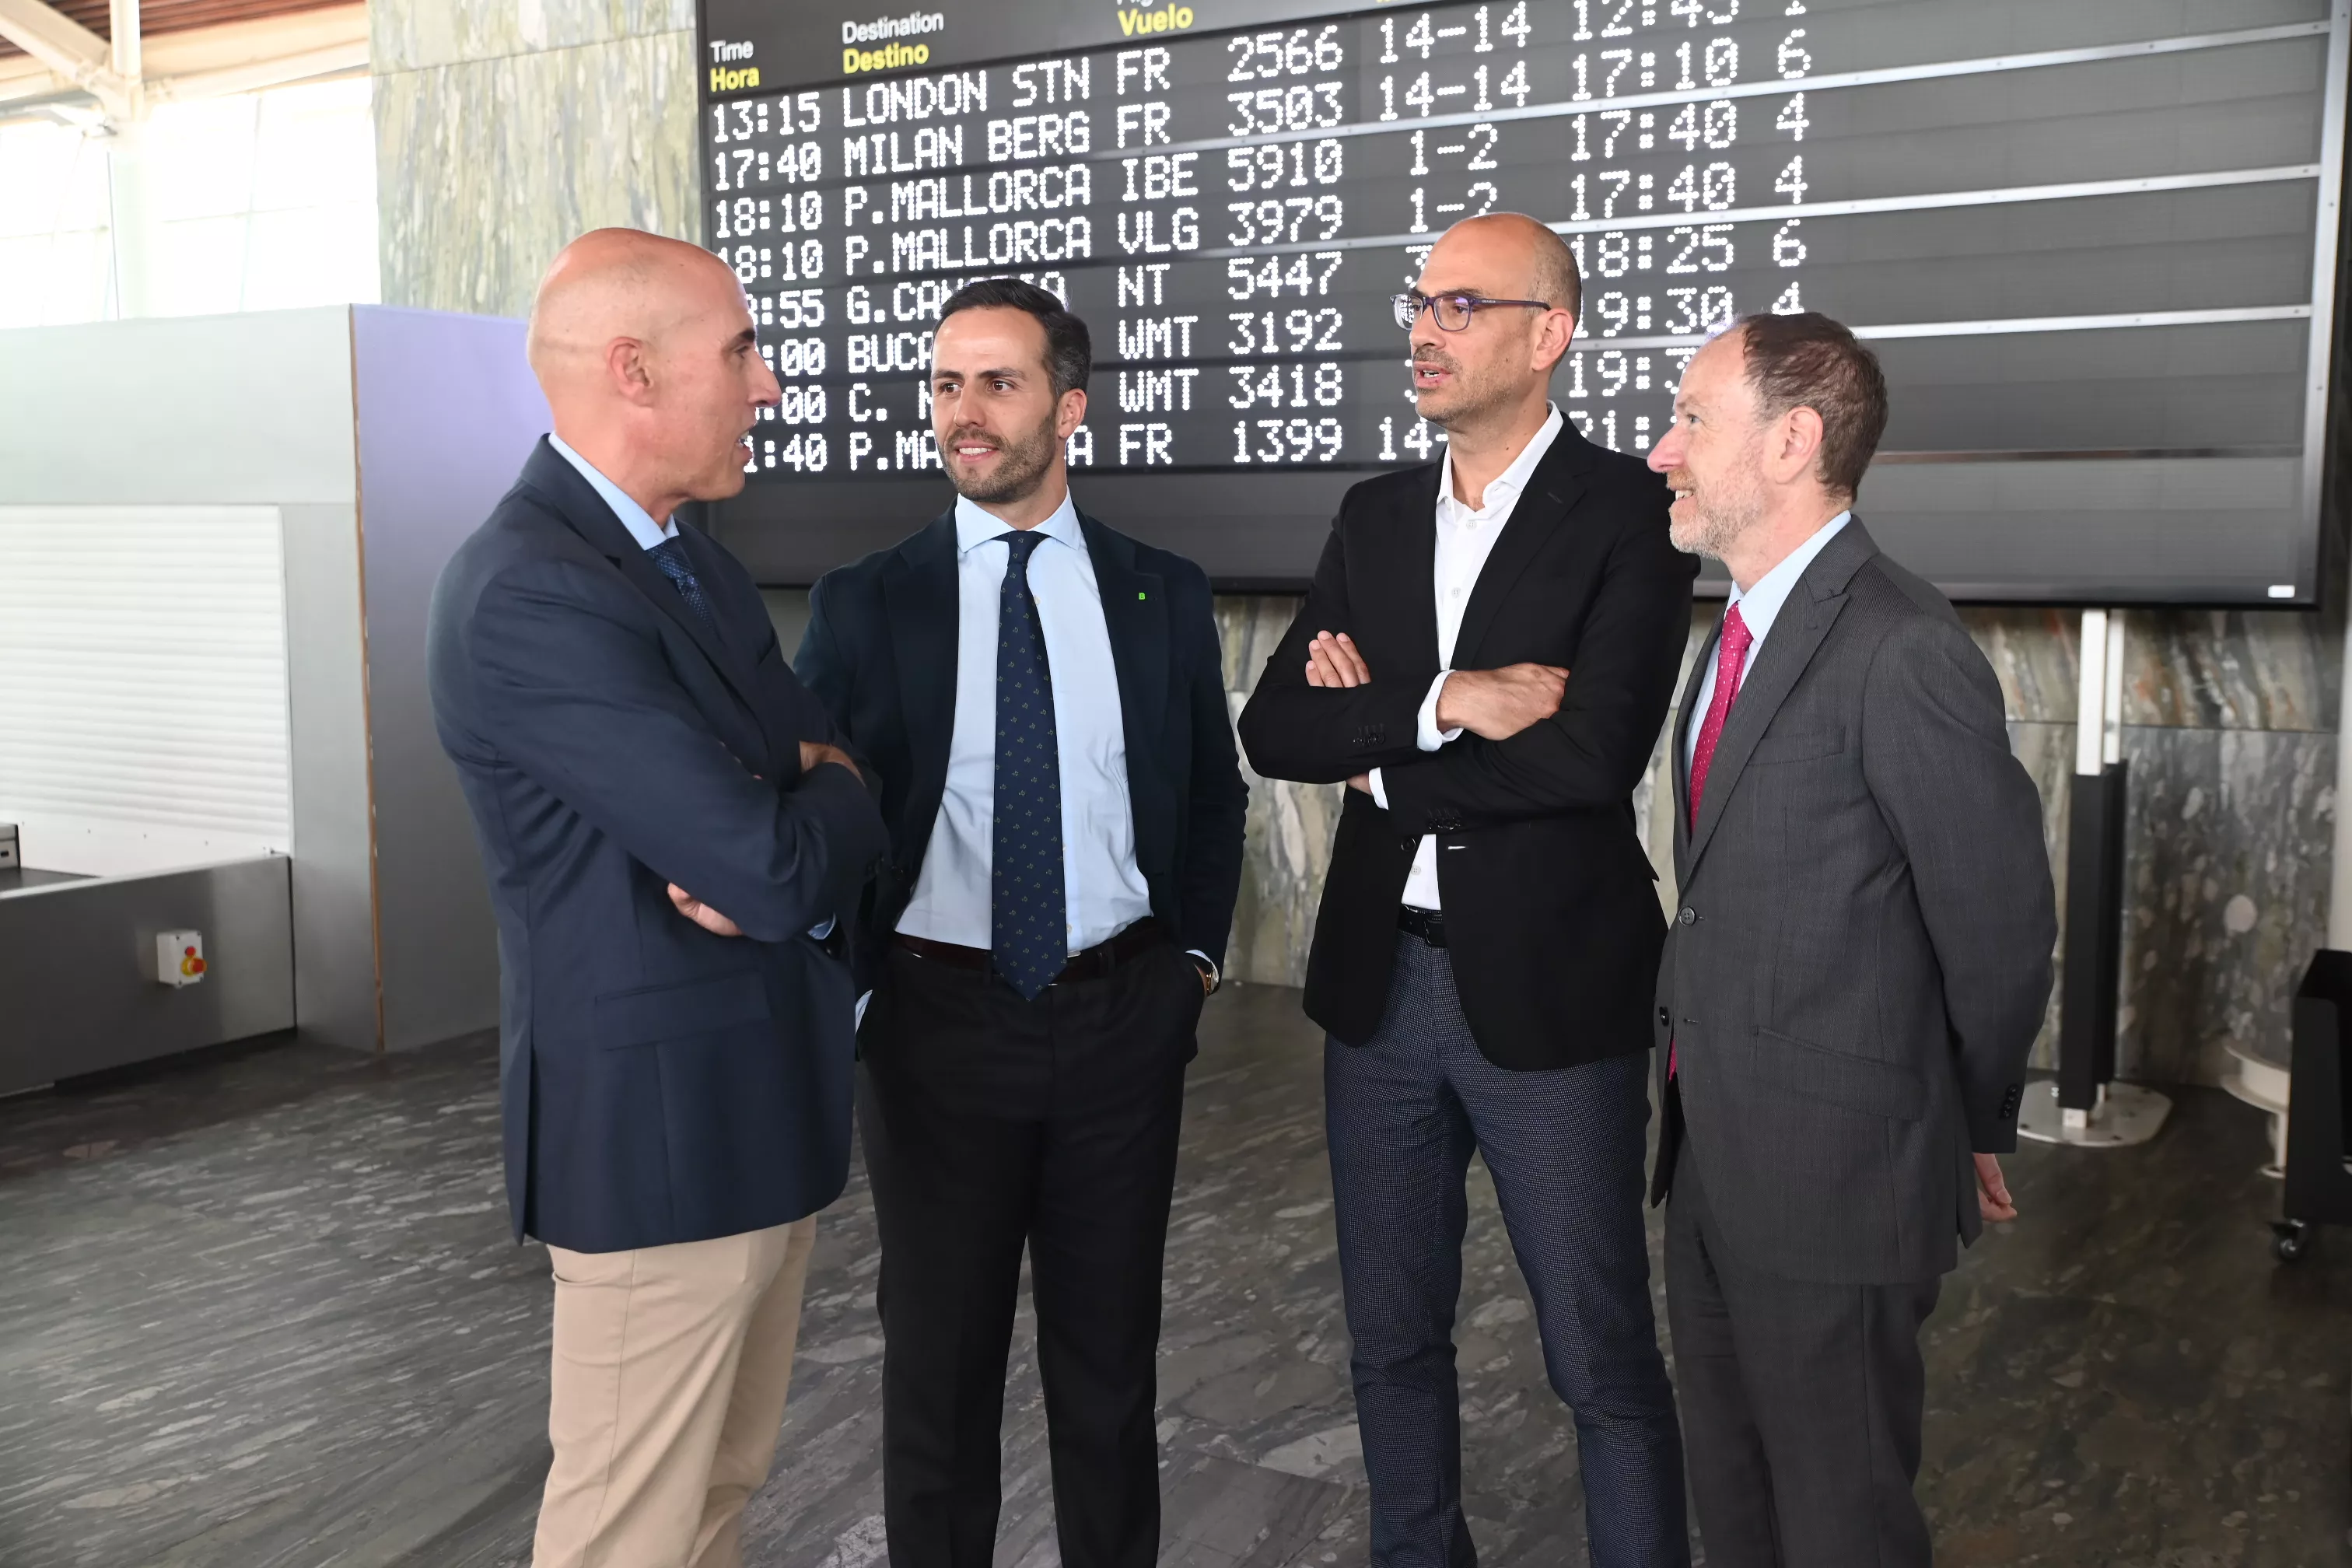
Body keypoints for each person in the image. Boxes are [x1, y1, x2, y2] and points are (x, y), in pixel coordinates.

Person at [1236, 213, 1694, 1567]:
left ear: (1550, 334)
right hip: (1381, 991)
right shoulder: (1376, 516)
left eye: (1459, 306)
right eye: (1418, 304)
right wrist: (1446, 698)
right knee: (1389, 1341)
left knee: (1599, 1357)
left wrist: (1380, 751)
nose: (1423, 332)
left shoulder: (1629, 512)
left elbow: (1591, 757)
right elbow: (1276, 727)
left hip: (1554, 998)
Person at [426, 228, 888, 1568]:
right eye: (741, 351)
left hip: (752, 1119)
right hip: (658, 1148)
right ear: (633, 371)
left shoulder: (692, 561)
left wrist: (817, 800)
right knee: (627, 1533)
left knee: (716, 1499)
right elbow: (776, 858)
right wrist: (816, 804)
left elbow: (822, 784)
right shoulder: (531, 591)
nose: (769, 385)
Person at [795, 278, 1248, 1568]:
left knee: (1110, 1375)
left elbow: (1210, 797)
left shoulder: (1160, 592)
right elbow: (814, 806)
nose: (965, 412)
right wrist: (864, 996)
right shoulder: (866, 600)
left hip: (1123, 1021)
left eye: (998, 382)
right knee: (938, 1379)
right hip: (934, 1030)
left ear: (1071, 407)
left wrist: (1192, 968)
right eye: (946, 384)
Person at [1643, 311, 2056, 1567]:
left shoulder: (1901, 644)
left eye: (1691, 419)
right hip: (1711, 1154)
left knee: (1841, 1523)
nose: (1663, 450)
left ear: (1793, 442)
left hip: (1840, 1181)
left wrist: (1964, 1123)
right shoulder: (1735, 633)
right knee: (1737, 1501)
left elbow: (1999, 926)